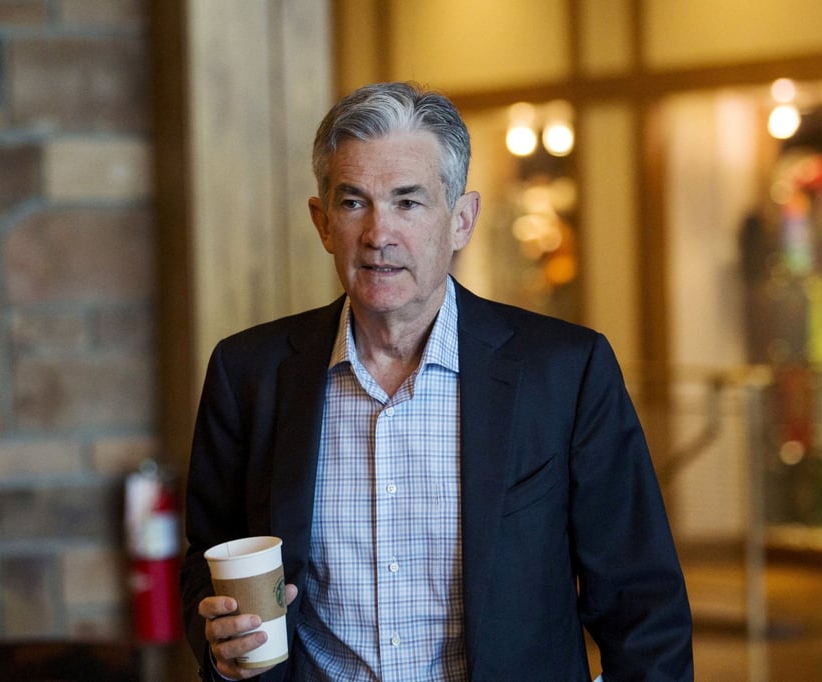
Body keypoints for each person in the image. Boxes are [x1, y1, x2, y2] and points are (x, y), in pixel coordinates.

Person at [180, 81, 693, 681]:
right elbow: (205, 561)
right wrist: (216, 637)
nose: (379, 233)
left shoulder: (564, 372)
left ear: (462, 220)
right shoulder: (249, 372)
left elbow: (643, 605)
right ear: (322, 223)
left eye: (408, 202)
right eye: (353, 203)